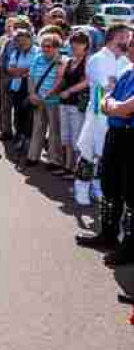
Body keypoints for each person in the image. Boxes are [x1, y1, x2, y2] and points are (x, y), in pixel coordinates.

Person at [76, 24, 133, 248]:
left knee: (120, 182)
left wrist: (114, 100)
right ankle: (83, 190)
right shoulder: (101, 59)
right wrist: (112, 99)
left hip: (123, 128)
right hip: (103, 121)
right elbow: (105, 89)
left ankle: (124, 243)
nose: (127, 42)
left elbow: (115, 94)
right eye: (125, 38)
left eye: (130, 39)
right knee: (91, 158)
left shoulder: (126, 64)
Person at [96, 65, 134, 267]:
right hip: (116, 134)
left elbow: (125, 108)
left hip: (131, 138)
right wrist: (113, 106)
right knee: (109, 185)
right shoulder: (128, 71)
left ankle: (129, 249)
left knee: (131, 195)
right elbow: (105, 99)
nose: (129, 47)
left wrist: (114, 107)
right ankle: (108, 235)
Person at [52, 31, 91, 181]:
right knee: (65, 137)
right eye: (73, 41)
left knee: (76, 137)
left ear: (86, 45)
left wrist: (69, 91)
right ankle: (67, 166)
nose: (75, 45)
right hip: (64, 102)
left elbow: (87, 81)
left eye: (79, 42)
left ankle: (76, 168)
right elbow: (61, 79)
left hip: (76, 104)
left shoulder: (87, 61)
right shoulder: (68, 61)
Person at [23, 33, 66, 170]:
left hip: (53, 100)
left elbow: (60, 82)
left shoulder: (63, 60)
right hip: (37, 99)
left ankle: (54, 160)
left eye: (48, 46)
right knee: (38, 127)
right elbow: (31, 77)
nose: (44, 49)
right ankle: (33, 156)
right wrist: (32, 94)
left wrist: (46, 96)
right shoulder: (38, 58)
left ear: (56, 47)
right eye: (43, 46)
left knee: (54, 131)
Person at [5, 30, 39, 151]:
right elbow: (10, 69)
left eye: (24, 39)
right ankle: (19, 136)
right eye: (19, 41)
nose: (22, 43)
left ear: (31, 39)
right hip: (17, 86)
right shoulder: (16, 52)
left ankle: (28, 140)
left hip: (31, 87)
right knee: (18, 113)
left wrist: (20, 71)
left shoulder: (37, 52)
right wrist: (24, 71)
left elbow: (34, 70)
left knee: (29, 115)